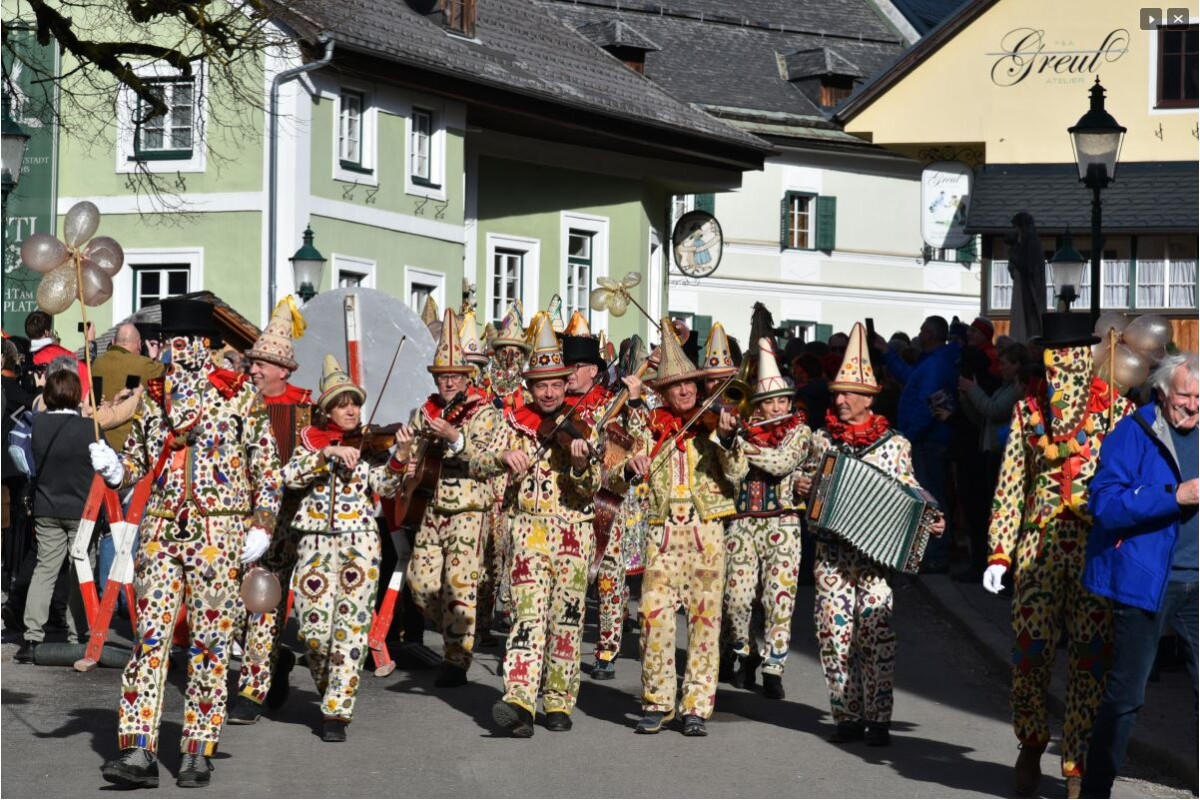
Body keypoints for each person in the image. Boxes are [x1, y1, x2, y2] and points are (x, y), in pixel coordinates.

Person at [92, 298, 281, 790]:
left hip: (220, 532)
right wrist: (117, 469)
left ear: (206, 344)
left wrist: (261, 523)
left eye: (186, 341)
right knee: (149, 639)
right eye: (170, 342)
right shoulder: (154, 397)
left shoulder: (240, 396)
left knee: (210, 644)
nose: (178, 350)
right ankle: (138, 749)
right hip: (161, 529)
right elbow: (138, 457)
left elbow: (268, 471)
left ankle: (198, 747)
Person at [982, 313, 1134, 799]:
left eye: (1069, 355)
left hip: (1094, 550)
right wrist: (998, 552)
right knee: (1030, 652)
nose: (1060, 365)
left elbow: (1134, 483)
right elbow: (1011, 483)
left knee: (1091, 659)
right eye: (1052, 357)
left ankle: (1076, 765)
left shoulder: (1119, 411)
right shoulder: (1028, 411)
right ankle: (1030, 741)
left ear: (1085, 355)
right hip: (1037, 549)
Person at [796, 322, 945, 747]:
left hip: (876, 558)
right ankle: (846, 716)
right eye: (836, 394)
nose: (839, 401)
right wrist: (801, 488)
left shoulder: (894, 444)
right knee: (833, 632)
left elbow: (912, 488)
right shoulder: (822, 441)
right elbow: (800, 483)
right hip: (831, 554)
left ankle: (878, 719)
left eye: (847, 394)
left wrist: (933, 512)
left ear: (868, 398)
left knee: (876, 633)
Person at [617, 317, 747, 737]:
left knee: (706, 621)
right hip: (662, 534)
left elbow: (738, 471)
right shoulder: (649, 427)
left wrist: (727, 439)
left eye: (690, 383)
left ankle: (696, 704)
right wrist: (630, 465)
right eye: (676, 386)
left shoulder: (713, 425)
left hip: (704, 533)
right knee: (653, 616)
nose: (686, 390)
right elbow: (617, 465)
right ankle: (657, 701)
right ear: (664, 392)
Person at [1081, 352, 1199, 799]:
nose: (1193, 407)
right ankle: (1096, 789)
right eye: (1185, 397)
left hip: (1199, 583)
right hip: (1147, 581)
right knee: (1126, 696)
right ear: (1164, 392)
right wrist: (1175, 495)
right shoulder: (1133, 433)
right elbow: (1106, 505)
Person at [476, 312, 599, 737]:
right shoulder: (512, 423)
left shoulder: (584, 426)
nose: (548, 393)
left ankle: (560, 701)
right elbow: (475, 459)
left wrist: (582, 466)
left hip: (574, 532)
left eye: (555, 384)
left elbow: (596, 487)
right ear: (528, 387)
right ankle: (520, 701)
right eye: (540, 385)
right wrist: (500, 459)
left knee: (567, 618)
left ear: (567, 384)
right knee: (527, 618)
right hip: (528, 532)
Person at [282, 355, 407, 742]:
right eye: (342, 403)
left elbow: (386, 486)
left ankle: (337, 710)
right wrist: (328, 455)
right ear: (327, 410)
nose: (351, 410)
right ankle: (328, 688)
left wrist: (400, 457)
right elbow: (287, 476)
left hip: (360, 545)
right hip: (315, 540)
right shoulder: (310, 443)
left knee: (351, 630)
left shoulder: (369, 446)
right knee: (314, 631)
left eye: (354, 402)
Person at [227, 297, 313, 724]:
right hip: (244, 521)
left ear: (284, 369)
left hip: (293, 524)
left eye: (262, 363)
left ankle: (252, 689)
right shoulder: (237, 404)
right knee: (244, 606)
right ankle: (269, 664)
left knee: (267, 605)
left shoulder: (309, 409)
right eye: (252, 362)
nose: (254, 369)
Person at [404, 309, 500, 688]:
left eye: (455, 377)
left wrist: (455, 439)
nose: (448, 383)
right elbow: (409, 453)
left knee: (460, 586)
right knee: (421, 583)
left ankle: (456, 658)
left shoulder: (483, 413)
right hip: (429, 506)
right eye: (443, 377)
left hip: (468, 509)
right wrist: (403, 456)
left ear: (466, 378)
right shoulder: (424, 411)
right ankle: (456, 629)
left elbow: (487, 460)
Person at [722, 338, 811, 698]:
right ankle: (745, 652)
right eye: (768, 402)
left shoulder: (799, 432)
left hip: (784, 524)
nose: (776, 406)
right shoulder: (743, 433)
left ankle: (774, 668)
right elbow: (732, 474)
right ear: (756, 407)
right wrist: (732, 443)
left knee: (779, 599)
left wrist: (743, 443)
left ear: (789, 402)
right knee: (738, 599)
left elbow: (782, 463)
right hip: (743, 521)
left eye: (781, 400)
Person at [14, 369, 98, 663]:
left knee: (45, 570)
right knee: (80, 572)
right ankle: (78, 635)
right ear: (76, 394)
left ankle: (32, 636)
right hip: (81, 509)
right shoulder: (90, 428)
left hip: (47, 506)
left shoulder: (37, 426)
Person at [882, 315, 960, 572]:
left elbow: (928, 403)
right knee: (930, 494)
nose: (919, 333)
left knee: (931, 496)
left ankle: (936, 554)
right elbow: (911, 378)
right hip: (928, 437)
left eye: (922, 330)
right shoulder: (932, 361)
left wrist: (909, 435)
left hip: (928, 439)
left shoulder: (936, 365)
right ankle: (931, 552)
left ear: (929, 334)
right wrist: (887, 354)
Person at [957, 344, 1030, 582]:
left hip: (1002, 453)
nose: (1001, 367)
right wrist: (966, 395)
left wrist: (973, 390)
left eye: (1006, 363)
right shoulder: (1005, 387)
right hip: (992, 450)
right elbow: (983, 417)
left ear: (1018, 365)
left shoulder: (1015, 389)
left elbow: (993, 409)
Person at [90, 323, 167, 451]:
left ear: (113, 341)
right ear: (139, 344)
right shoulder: (143, 364)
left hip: (99, 439)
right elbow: (167, 375)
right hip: (128, 444)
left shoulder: (97, 363)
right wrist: (155, 358)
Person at [2, 337, 34, 594]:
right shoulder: (16, 392)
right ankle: (9, 574)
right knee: (12, 522)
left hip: (9, 464)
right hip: (11, 464)